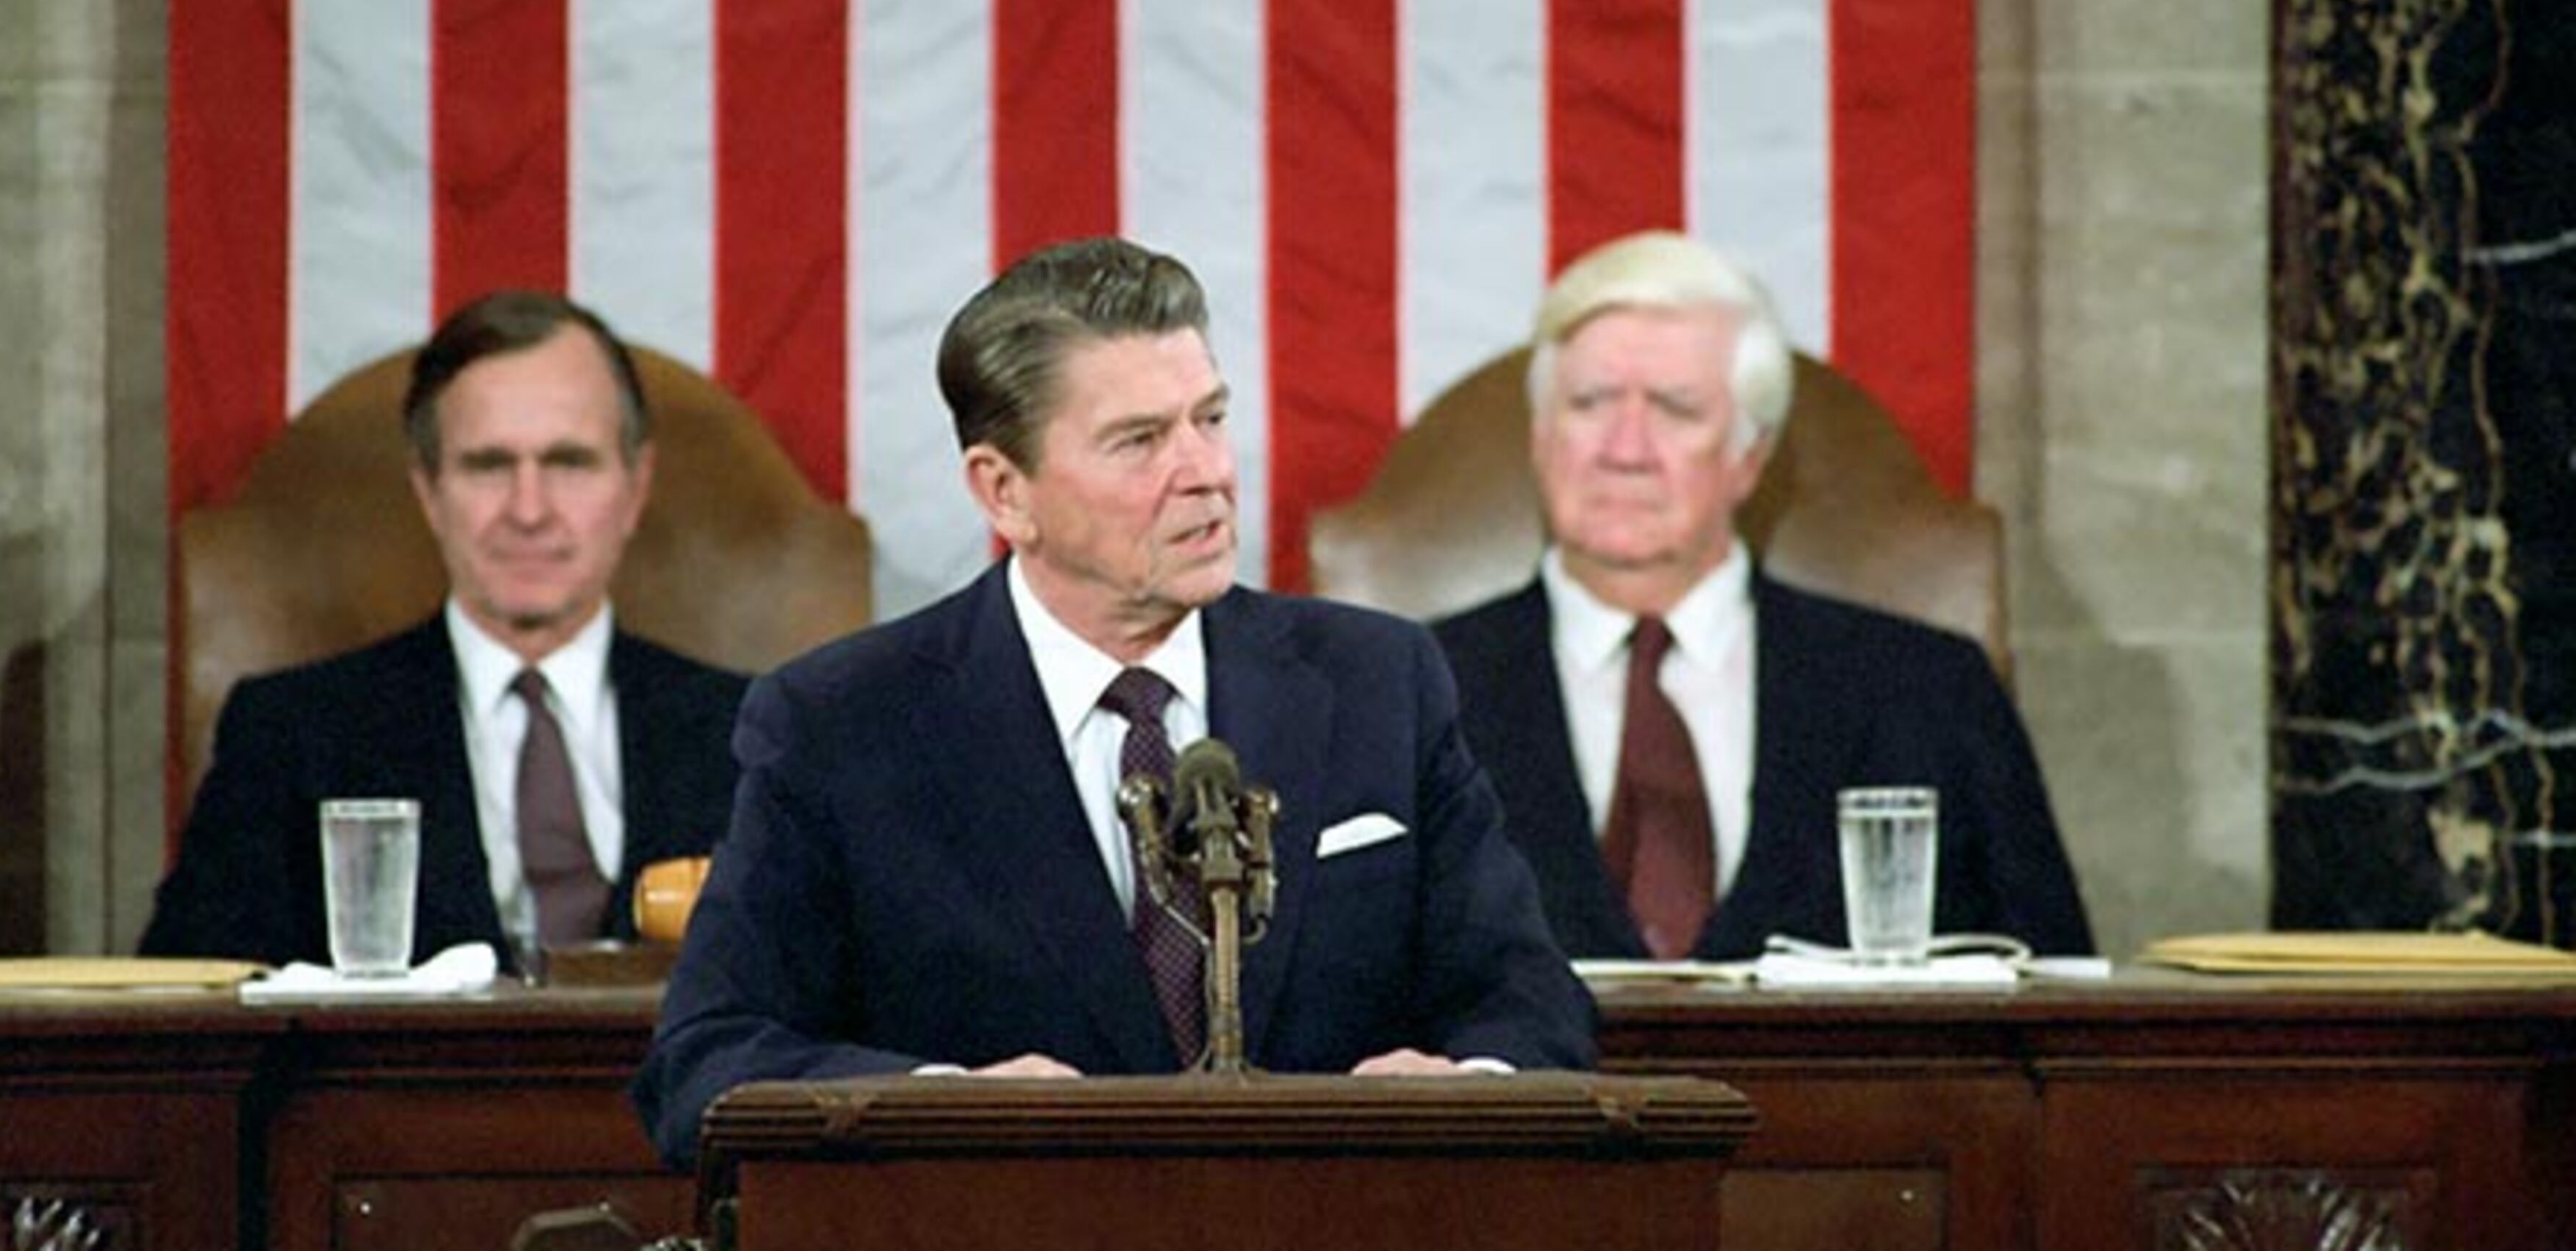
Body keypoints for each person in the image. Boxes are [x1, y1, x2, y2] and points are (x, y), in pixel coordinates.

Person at [634, 238, 1592, 1169]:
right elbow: (705, 1060)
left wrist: (1468, 1088)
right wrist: (941, 1110)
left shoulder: (1377, 681)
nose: (1205, 471)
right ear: (1005, 493)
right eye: (1140, 441)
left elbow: (1530, 999)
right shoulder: (842, 724)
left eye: (1209, 419)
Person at [1430, 232, 2092, 963]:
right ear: (1540, 437)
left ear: (1750, 455)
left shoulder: (1928, 691)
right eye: (1590, 403)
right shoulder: (1407, 695)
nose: (1625, 449)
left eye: (1675, 409)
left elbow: (2055, 992)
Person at [141, 290, 749, 969]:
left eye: (569, 462)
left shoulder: (760, 738)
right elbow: (195, 998)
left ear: (635, 486)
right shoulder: (291, 737)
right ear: (429, 491)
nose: (529, 510)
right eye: (488, 465)